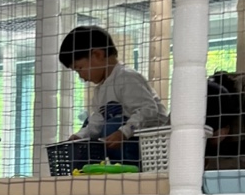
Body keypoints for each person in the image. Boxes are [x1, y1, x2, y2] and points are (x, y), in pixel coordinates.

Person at [58, 24, 167, 166]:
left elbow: (148, 111)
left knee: (112, 125)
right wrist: (79, 137)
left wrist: (124, 132)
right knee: (88, 127)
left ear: (98, 55)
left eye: (80, 69)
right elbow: (97, 122)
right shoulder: (100, 90)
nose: (81, 77)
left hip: (150, 145)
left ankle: (129, 169)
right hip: (128, 140)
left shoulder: (126, 77)